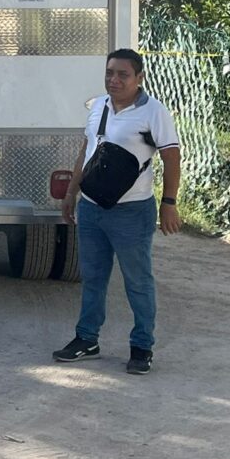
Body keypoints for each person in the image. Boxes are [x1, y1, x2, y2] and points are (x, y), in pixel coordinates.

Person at [54, 48, 181, 374]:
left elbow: (171, 158)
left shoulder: (154, 112)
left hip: (132, 212)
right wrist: (72, 193)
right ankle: (87, 339)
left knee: (138, 281)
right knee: (93, 278)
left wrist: (169, 203)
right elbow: (88, 150)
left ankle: (141, 347)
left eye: (123, 74)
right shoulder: (99, 106)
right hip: (93, 209)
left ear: (139, 78)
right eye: (110, 73)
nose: (114, 80)